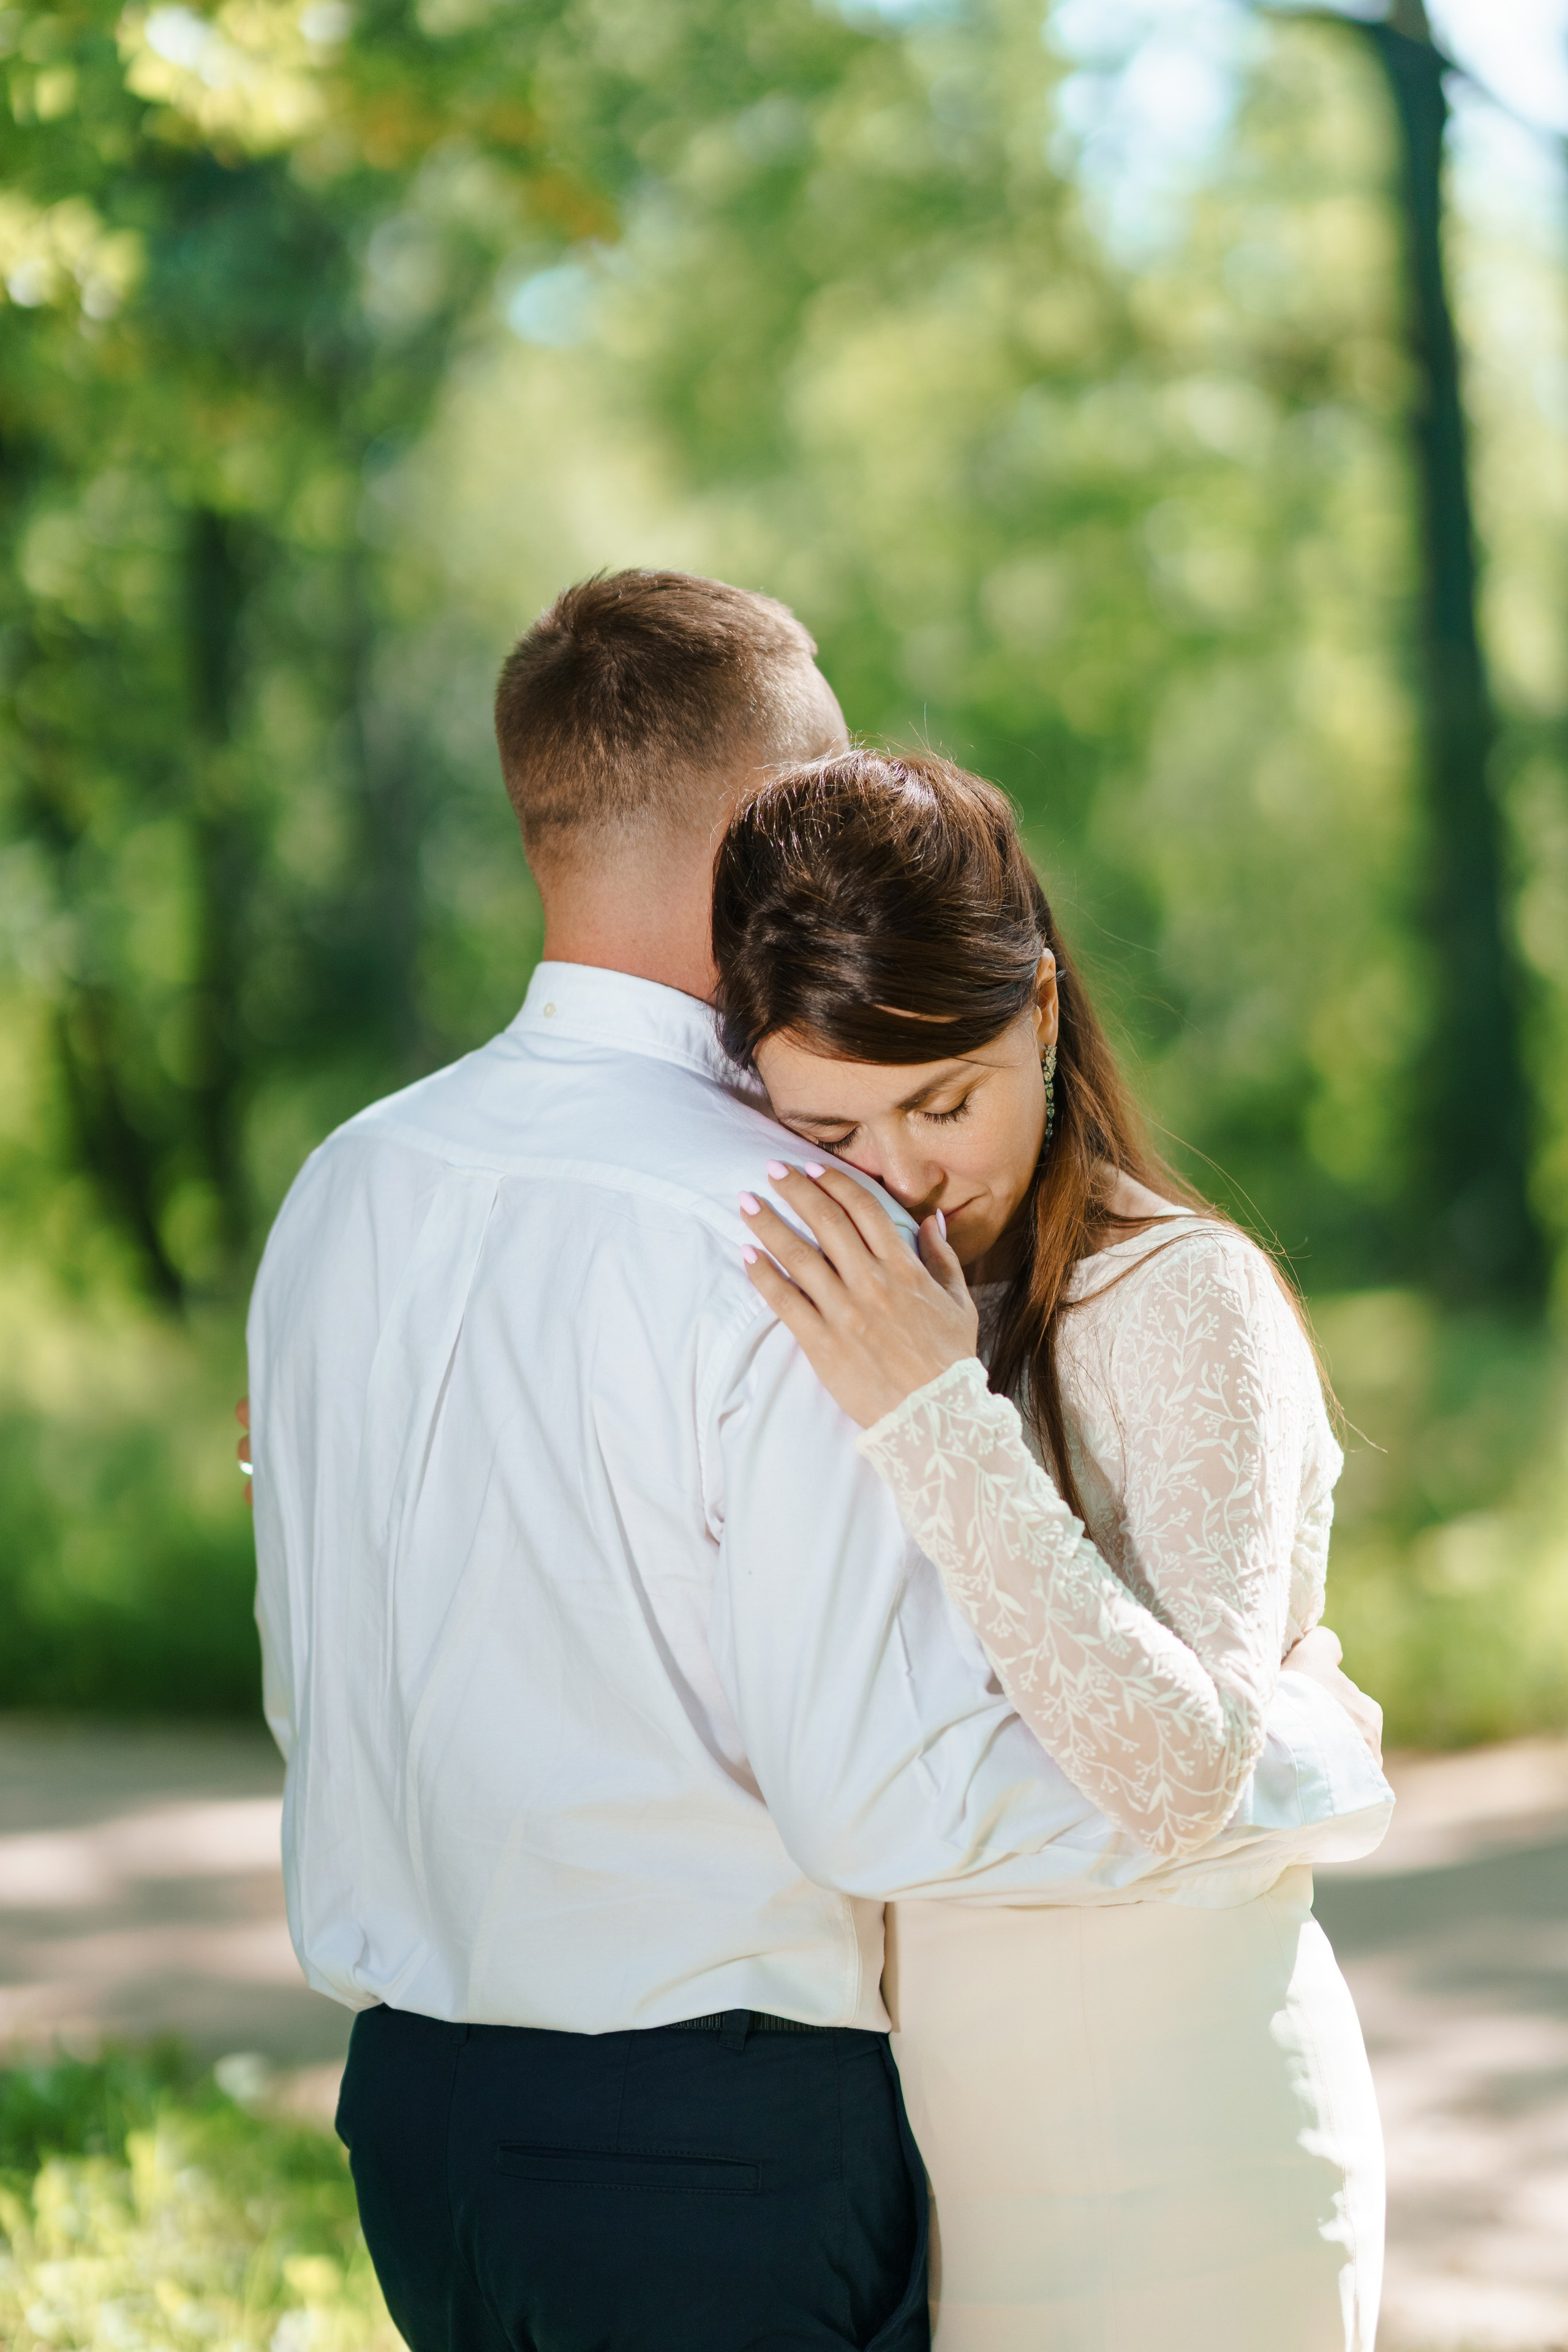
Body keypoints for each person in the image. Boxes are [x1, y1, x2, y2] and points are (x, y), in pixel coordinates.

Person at [245, 570, 1390, 2352]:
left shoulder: (348, 1188)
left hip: (414, 2126)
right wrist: (1284, 1769)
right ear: (744, 833)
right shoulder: (777, 1219)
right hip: (717, 2147)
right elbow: (885, 1797)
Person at [713, 747, 1386, 2350]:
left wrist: (933, 1414)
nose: (903, 1177)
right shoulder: (902, 1295)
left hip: (1198, 2173)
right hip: (967, 2175)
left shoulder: (1178, 1297)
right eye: (831, 1126)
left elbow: (1183, 1773)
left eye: (944, 1099)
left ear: (1043, 1017)